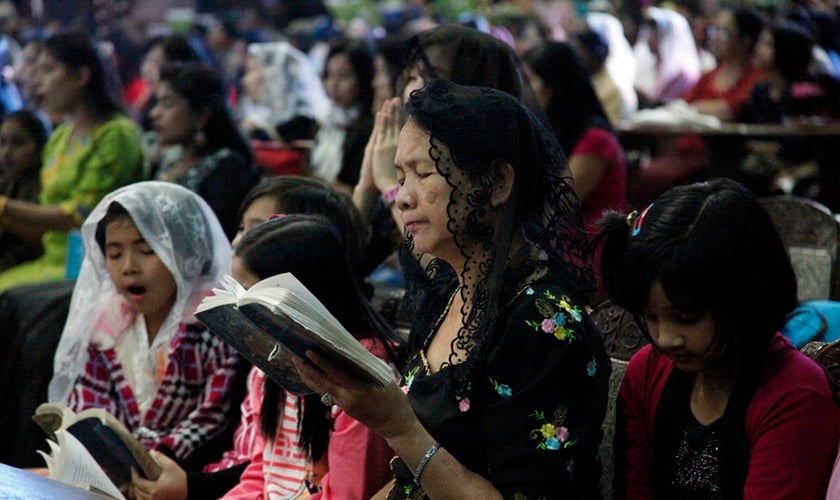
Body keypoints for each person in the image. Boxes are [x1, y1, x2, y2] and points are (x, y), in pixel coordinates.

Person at [295, 80, 610, 498]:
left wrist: (397, 425)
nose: (403, 198)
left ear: (497, 182)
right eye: (400, 176)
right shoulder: (451, 291)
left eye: (423, 173)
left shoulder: (543, 324)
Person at [126, 176, 375, 499]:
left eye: (253, 304)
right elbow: (260, 474)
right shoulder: (269, 368)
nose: (235, 242)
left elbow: (344, 493)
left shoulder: (357, 377)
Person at [596, 178, 840, 498]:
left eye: (687, 318)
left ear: (744, 300)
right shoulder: (648, 371)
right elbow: (635, 489)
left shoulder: (794, 393)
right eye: (650, 316)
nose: (667, 339)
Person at [48, 181, 241, 464]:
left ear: (187, 253)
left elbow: (211, 417)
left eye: (147, 251)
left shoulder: (213, 330)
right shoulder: (105, 330)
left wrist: (152, 462)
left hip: (183, 472)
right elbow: (90, 406)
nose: (129, 267)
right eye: (115, 254)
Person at [0, 32, 146, 292]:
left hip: (89, 268)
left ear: (81, 77)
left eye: (48, 69)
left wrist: (5, 207)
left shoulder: (115, 134)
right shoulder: (60, 137)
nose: (37, 80)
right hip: (50, 260)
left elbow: (81, 216)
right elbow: (44, 227)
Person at [522, 40, 626, 238]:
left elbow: (558, 208)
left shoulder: (596, 140)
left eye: (530, 80)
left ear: (553, 87)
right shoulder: (556, 130)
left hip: (588, 250)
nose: (525, 89)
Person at [151, 63, 260, 240]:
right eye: (157, 103)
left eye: (168, 104)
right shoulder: (170, 159)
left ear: (202, 115)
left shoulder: (227, 168)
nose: (155, 113)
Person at [309, 38, 375, 193]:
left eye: (344, 76)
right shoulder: (322, 121)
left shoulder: (368, 129)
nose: (333, 83)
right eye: (329, 75)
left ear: (362, 79)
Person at [683, 7, 765, 122]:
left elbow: (733, 110)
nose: (714, 37)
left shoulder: (757, 78)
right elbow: (683, 105)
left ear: (745, 40)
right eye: (714, 29)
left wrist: (692, 108)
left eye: (723, 32)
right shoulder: (708, 76)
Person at [0, 109, 47, 272]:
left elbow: (40, 238)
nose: (6, 152)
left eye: (17, 143)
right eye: (2, 142)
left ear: (40, 148)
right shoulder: (7, 182)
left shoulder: (45, 188)